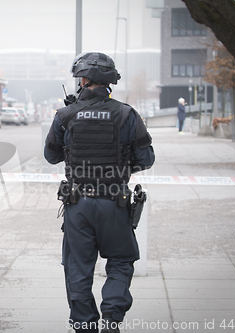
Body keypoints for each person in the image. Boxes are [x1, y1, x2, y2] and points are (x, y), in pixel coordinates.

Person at [44, 52, 155, 333]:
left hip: (78, 205)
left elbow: (51, 155)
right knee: (120, 260)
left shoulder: (66, 115)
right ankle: (112, 319)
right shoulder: (128, 114)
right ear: (110, 82)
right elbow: (146, 159)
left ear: (82, 80)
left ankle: (84, 325)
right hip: (114, 203)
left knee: (78, 267)